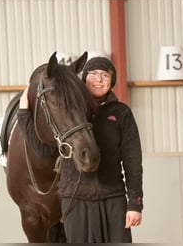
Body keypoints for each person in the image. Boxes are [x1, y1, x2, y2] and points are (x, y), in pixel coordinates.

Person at [17, 56, 143, 243]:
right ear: (84, 78)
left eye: (105, 75)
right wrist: (24, 114)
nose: (99, 79)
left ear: (112, 81)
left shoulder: (121, 113)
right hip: (76, 199)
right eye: (93, 74)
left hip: (112, 198)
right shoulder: (71, 111)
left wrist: (135, 204)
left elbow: (132, 161)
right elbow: (44, 150)